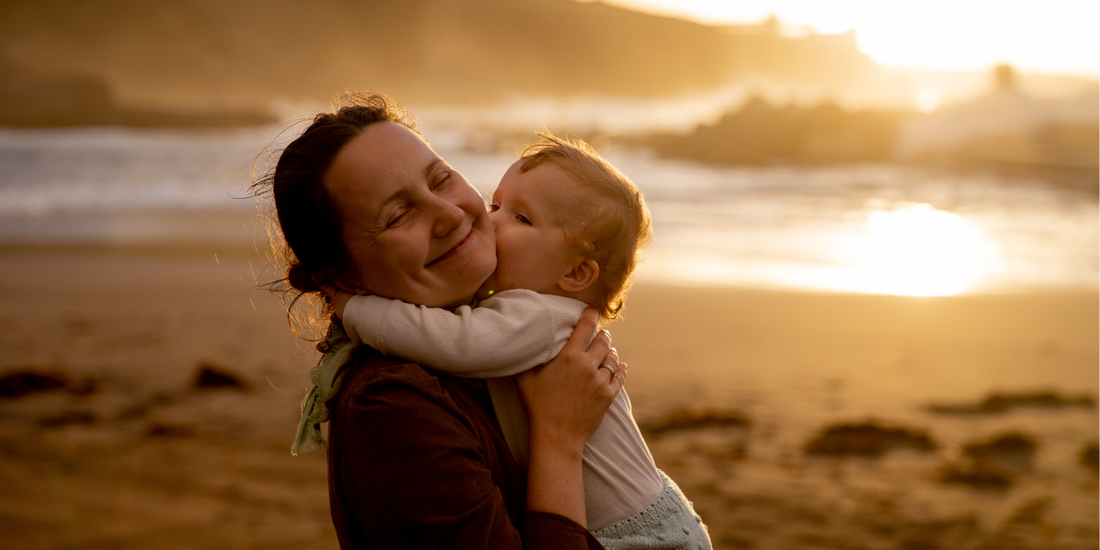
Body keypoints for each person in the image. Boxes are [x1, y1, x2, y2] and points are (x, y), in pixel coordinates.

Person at [254, 92, 622, 549]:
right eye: (399, 214)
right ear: (339, 276)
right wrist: (560, 441)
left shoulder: (498, 337)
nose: (450, 214)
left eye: (441, 179)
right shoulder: (392, 410)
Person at [322, 134, 711, 549]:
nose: (489, 221)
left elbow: (455, 342)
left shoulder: (542, 317)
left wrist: (358, 309)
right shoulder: (524, 316)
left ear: (576, 274)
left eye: (521, 218)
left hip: (640, 534)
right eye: (496, 205)